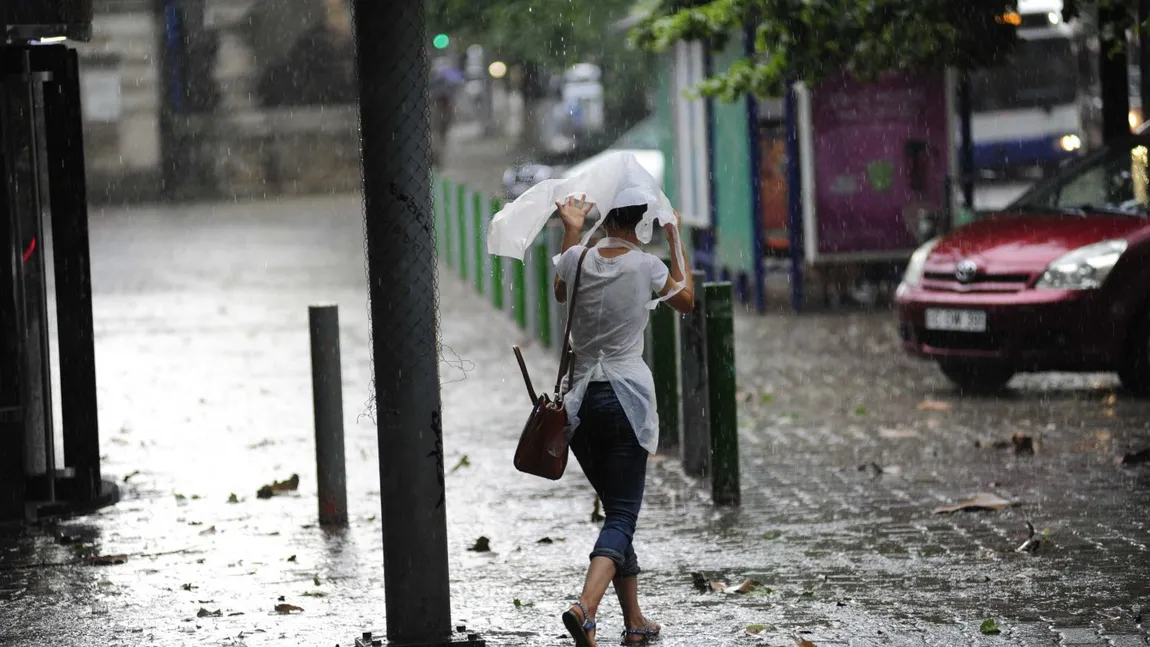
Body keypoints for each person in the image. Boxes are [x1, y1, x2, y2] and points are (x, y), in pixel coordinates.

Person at [551, 194, 695, 646]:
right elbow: (687, 300)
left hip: (580, 407)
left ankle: (635, 621)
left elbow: (561, 290)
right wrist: (675, 239)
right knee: (622, 516)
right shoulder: (646, 266)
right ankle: (585, 608)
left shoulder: (578, 259)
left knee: (616, 510)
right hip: (627, 400)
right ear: (645, 222)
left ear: (607, 217)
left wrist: (572, 227)